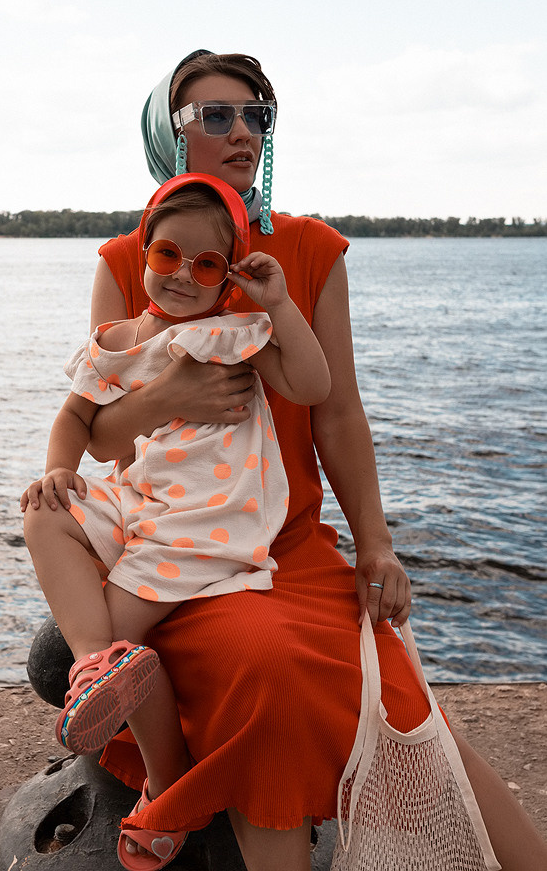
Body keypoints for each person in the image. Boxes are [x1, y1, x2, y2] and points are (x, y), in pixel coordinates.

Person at [34, 49, 546, 871]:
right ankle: (132, 703)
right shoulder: (132, 260)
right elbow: (103, 436)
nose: (244, 133)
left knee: (401, 704)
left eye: (258, 116)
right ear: (167, 138)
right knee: (261, 671)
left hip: (291, 544)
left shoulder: (304, 253)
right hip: (177, 544)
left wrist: (375, 542)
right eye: (217, 116)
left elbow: (335, 407)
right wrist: (179, 397)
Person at [22, 173, 330, 869]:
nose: (183, 275)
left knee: (115, 637)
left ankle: (166, 785)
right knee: (43, 516)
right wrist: (59, 469)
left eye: (206, 264)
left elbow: (313, 387)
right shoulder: (118, 344)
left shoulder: (233, 334)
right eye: (168, 256)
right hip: (143, 509)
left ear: (227, 280)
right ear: (145, 258)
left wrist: (279, 304)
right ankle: (105, 670)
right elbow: (78, 418)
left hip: (209, 524)